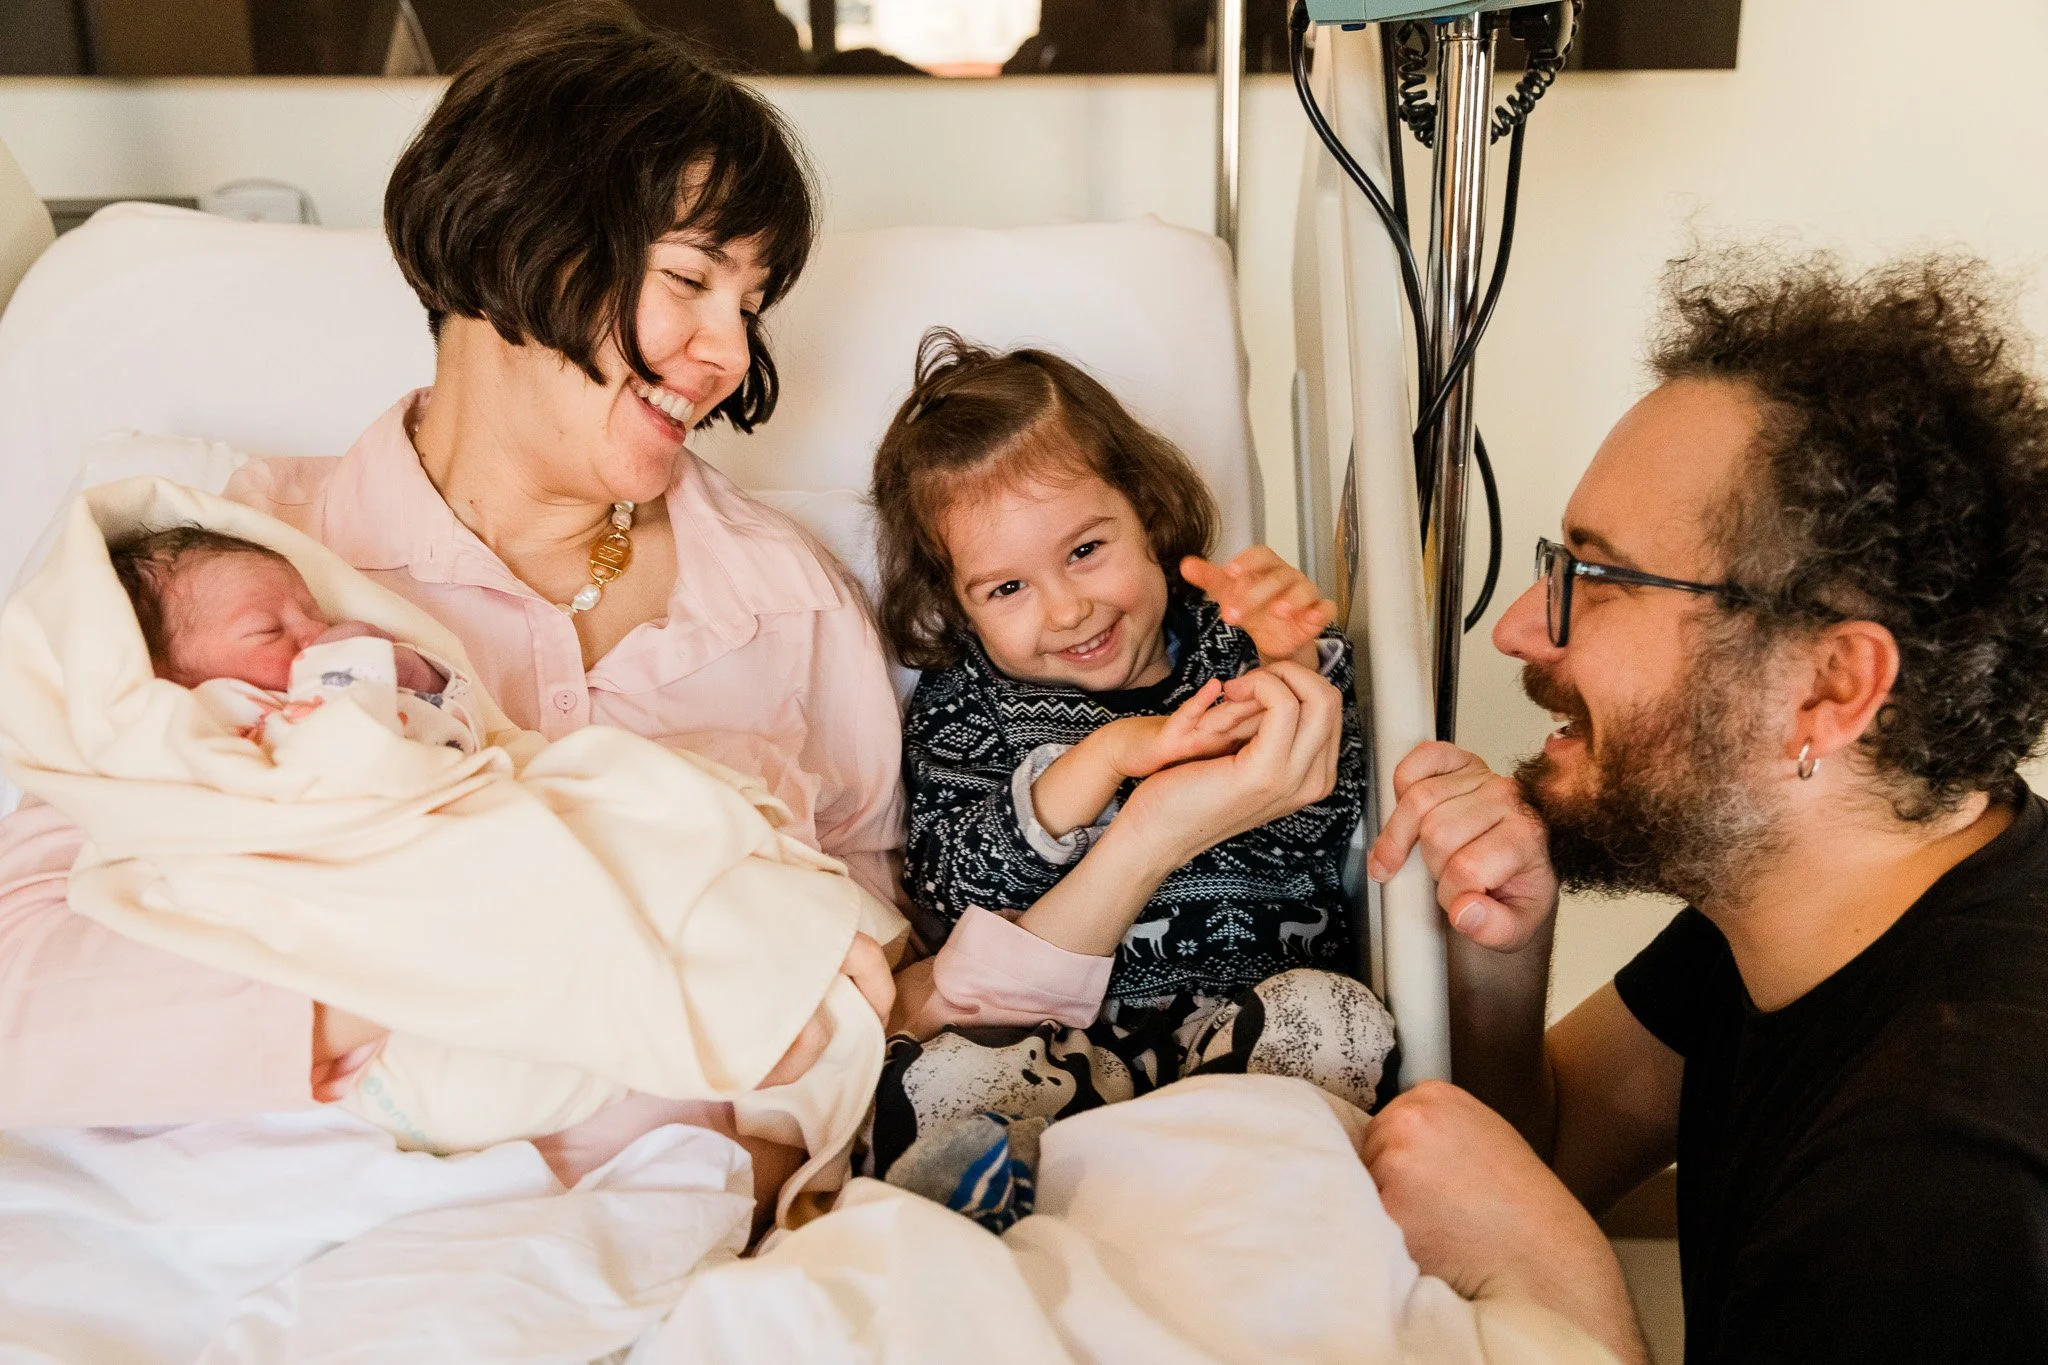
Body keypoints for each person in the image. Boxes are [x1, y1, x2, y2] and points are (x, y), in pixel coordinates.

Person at [0, 2, 917, 1211]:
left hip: (700, 1237)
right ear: (516, 241)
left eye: (748, 306)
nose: (728, 355)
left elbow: (863, 940)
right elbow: (23, 976)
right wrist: (476, 962)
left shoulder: (786, 603)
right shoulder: (225, 572)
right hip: (295, 1231)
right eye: (690, 278)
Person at [1358, 249, 2048, 1365]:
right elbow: (1554, 1142)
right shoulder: (1826, 897)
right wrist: (1501, 943)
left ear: (1829, 688)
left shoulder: (1942, 1180)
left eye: (1602, 577)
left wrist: (1560, 1283)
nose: (1521, 632)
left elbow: (1528, 1214)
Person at [858, 331, 1392, 1225]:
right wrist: (1102, 760)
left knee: (1340, 1014)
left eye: (1083, 550)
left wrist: (1293, 668)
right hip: (1058, 1049)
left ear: (1145, 512)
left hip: (1246, 1026)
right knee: (938, 1075)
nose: (1067, 609)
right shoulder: (969, 700)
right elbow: (954, 884)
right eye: (1006, 590)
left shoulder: (1231, 646)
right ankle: (990, 1226)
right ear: (955, 604)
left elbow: (1314, 830)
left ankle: (1254, 1219)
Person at [108, 526, 468, 747]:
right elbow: (321, 756)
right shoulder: (201, 713)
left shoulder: (335, 678)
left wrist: (417, 675)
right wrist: (350, 672)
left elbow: (459, 732)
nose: (316, 630)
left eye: (314, 612)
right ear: (166, 671)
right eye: (268, 630)